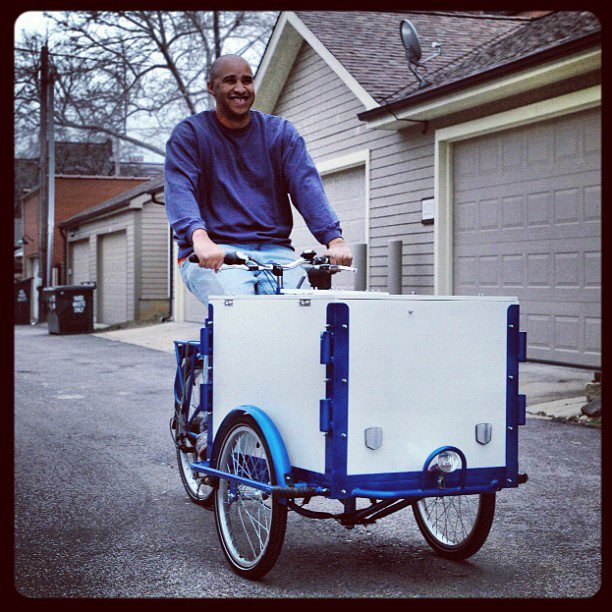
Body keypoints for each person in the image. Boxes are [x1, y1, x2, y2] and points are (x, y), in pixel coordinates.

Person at [164, 54, 353, 304]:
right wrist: (200, 238)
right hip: (217, 252)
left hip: (275, 251)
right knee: (242, 314)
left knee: (306, 310)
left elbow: (306, 185)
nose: (240, 89)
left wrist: (334, 239)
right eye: (230, 81)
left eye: (247, 80)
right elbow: (180, 190)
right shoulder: (190, 135)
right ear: (212, 87)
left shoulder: (279, 133)